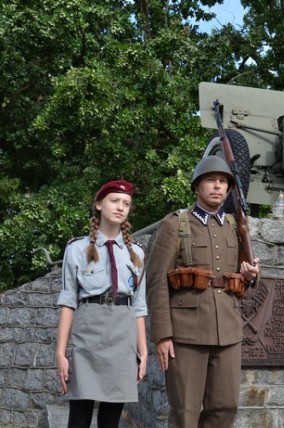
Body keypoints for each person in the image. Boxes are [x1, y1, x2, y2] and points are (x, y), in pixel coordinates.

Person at [146, 155, 260, 428]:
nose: (217, 186)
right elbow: (155, 282)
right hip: (187, 332)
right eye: (211, 180)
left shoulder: (234, 227)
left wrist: (250, 275)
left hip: (228, 331)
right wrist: (162, 335)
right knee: (185, 411)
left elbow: (242, 282)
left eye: (223, 182)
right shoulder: (175, 224)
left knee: (225, 406)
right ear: (197, 186)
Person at [56, 180, 148, 428]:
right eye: (114, 201)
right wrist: (61, 352)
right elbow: (68, 302)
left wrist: (143, 349)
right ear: (98, 205)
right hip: (88, 333)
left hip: (123, 334)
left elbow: (139, 305)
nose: (121, 207)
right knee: (79, 415)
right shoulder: (77, 248)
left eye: (126, 203)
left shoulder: (136, 254)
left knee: (111, 419)